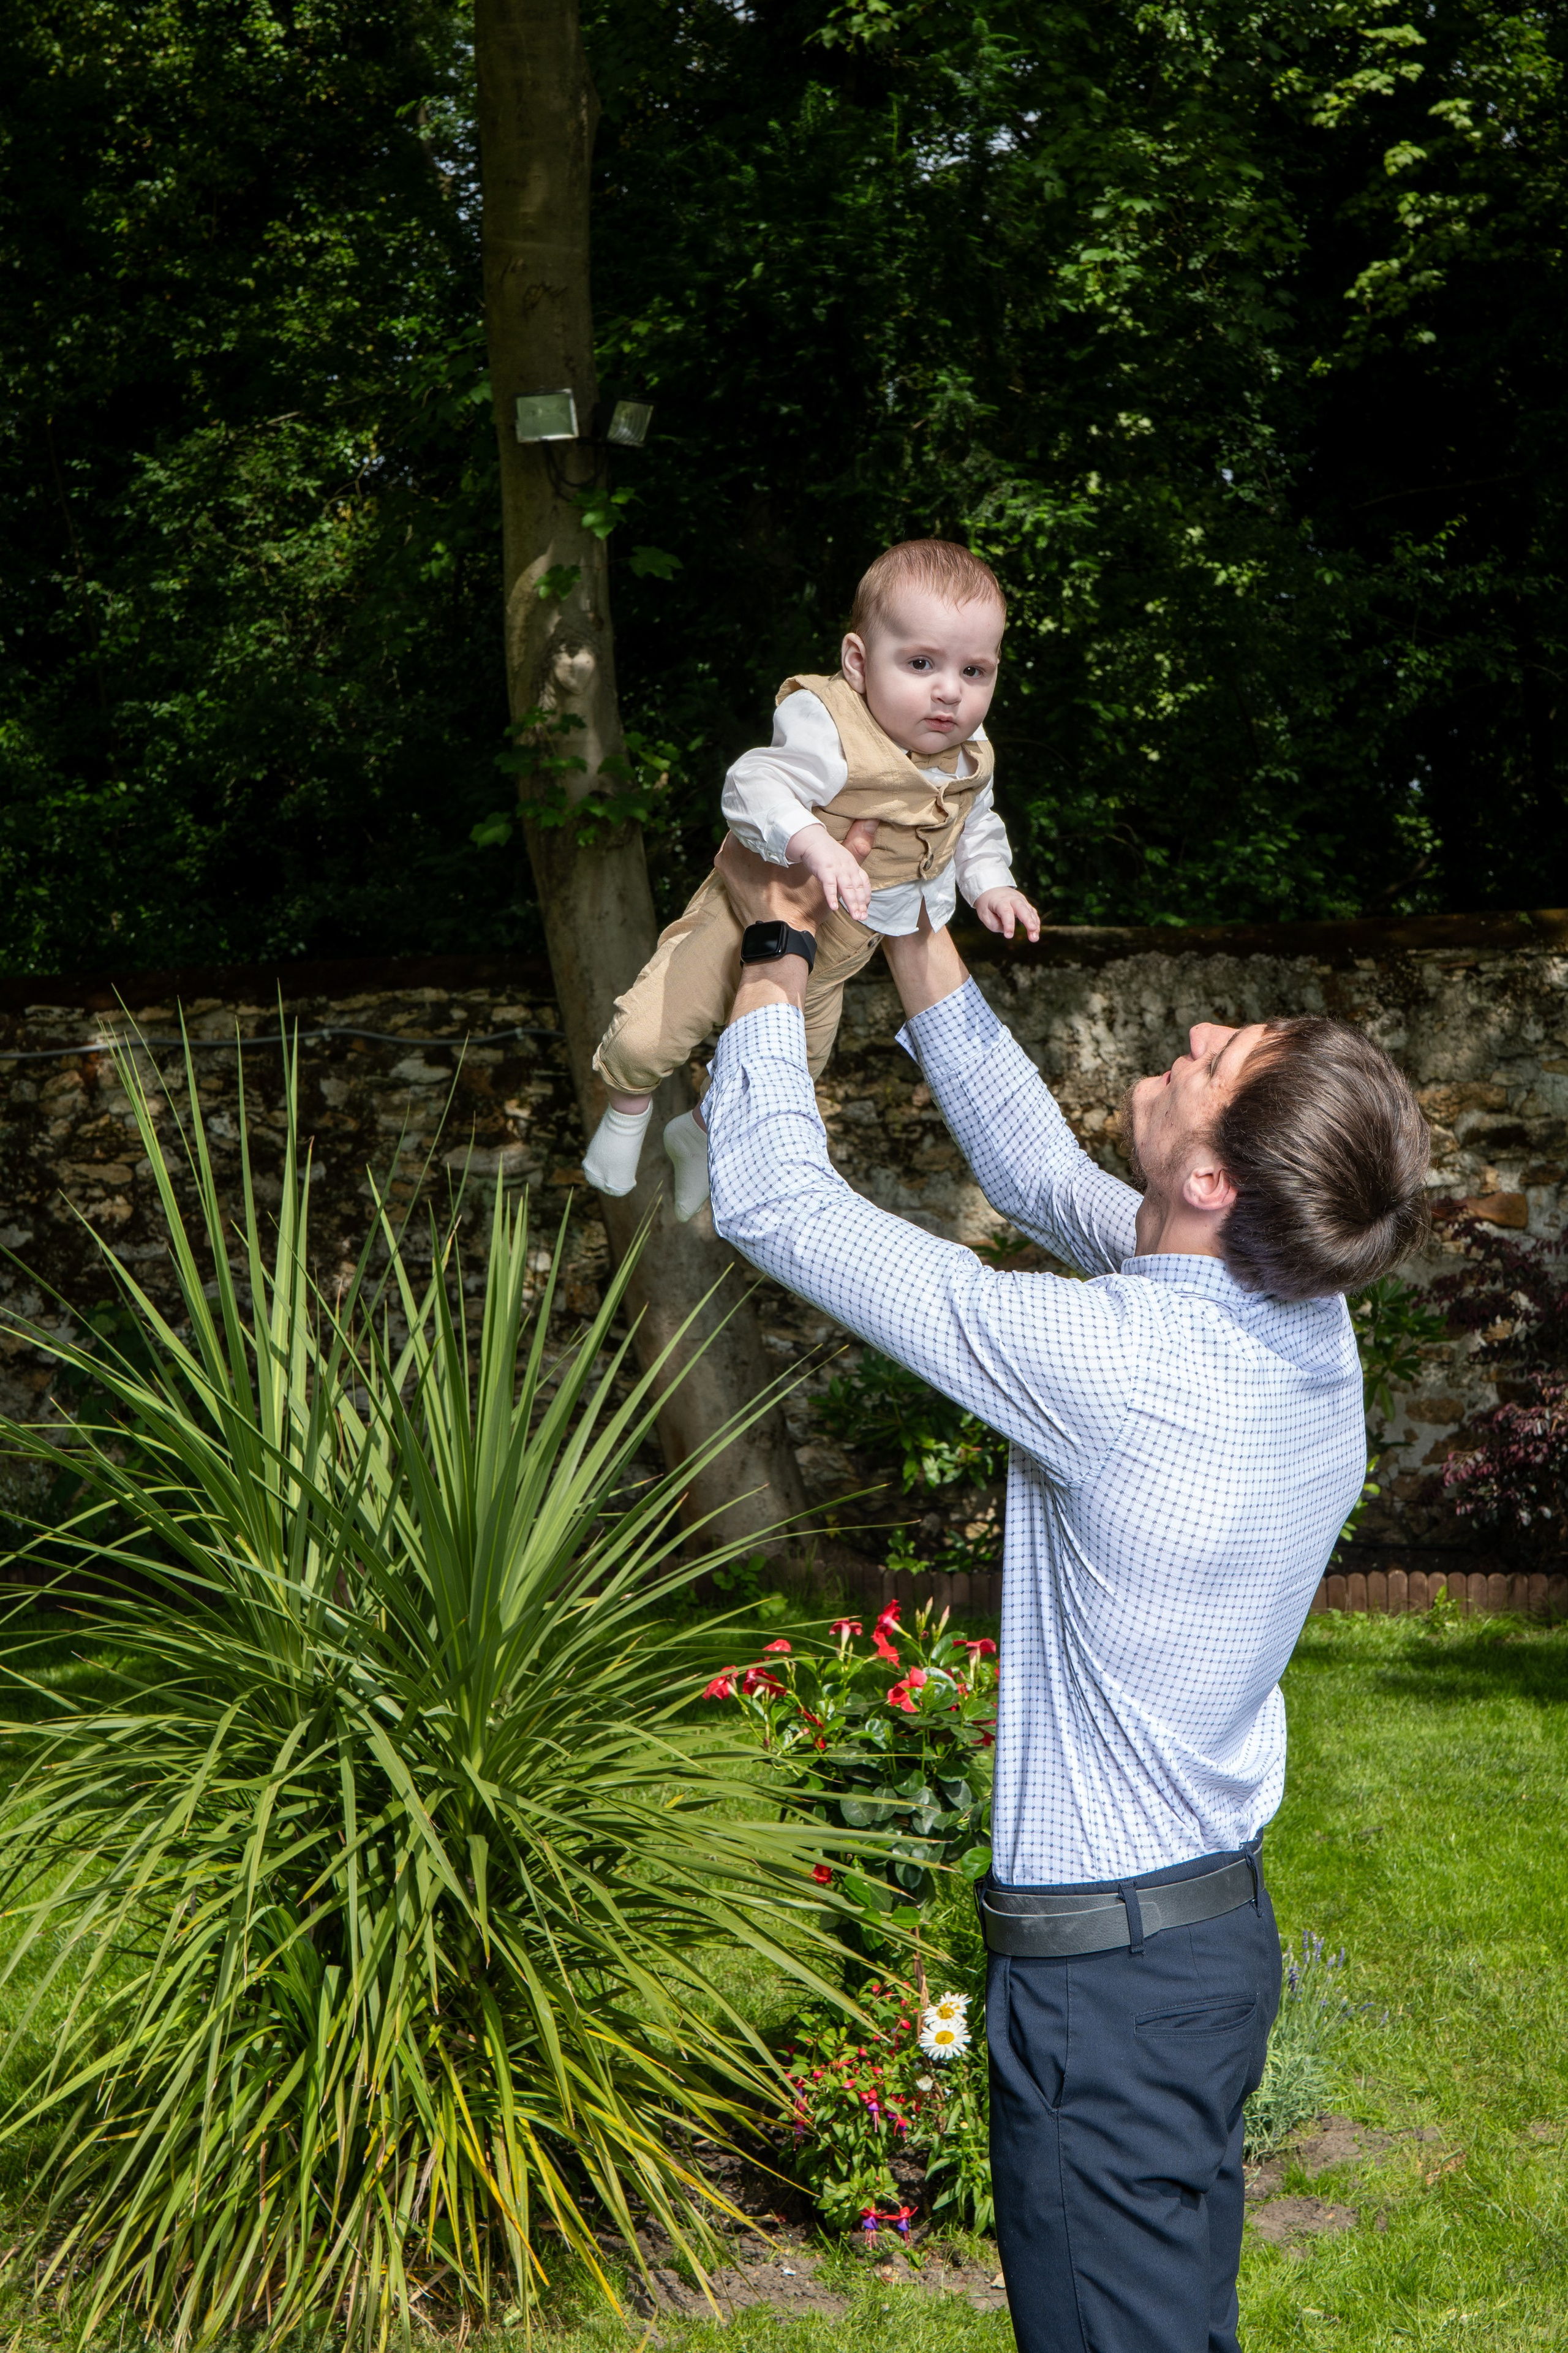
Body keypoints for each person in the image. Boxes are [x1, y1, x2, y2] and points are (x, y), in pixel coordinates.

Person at [699, 833, 1430, 2353]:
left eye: (1214, 1058)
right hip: (1193, 1954)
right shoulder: (1296, 1309)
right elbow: (1037, 1175)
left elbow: (772, 1200)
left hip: (1108, 1997)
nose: (1193, 1034)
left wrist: (771, 946)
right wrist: (914, 907)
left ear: (1210, 1176)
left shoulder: (1119, 1368)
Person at [580, 539, 1039, 1220]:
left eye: (974, 670)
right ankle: (626, 1114)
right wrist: (814, 844)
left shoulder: (970, 758)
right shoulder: (831, 725)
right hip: (742, 919)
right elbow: (751, 782)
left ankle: (697, 1134)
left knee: (789, 1076)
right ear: (858, 662)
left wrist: (993, 885)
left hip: (833, 956)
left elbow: (975, 827)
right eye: (920, 663)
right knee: (647, 1036)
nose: (950, 690)